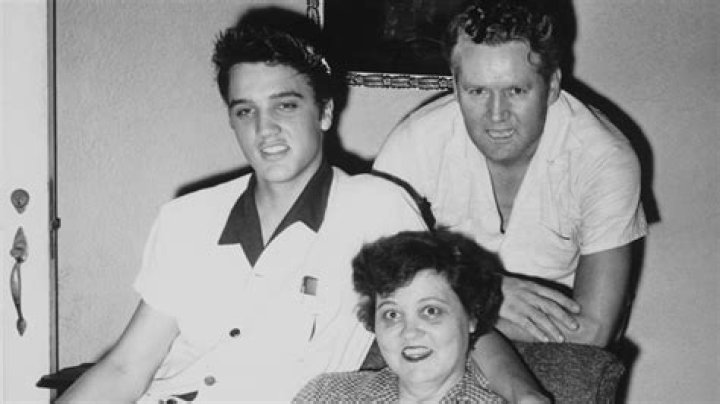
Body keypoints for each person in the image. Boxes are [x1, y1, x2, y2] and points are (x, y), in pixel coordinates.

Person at [57, 8, 547, 403]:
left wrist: (524, 393)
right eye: (245, 111)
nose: (264, 130)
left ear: (326, 112)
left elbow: (454, 320)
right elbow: (126, 368)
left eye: (285, 105)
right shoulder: (186, 219)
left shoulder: (375, 209)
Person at [374, 0, 647, 347]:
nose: (496, 115)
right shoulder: (415, 141)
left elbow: (593, 331)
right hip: (445, 326)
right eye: (477, 91)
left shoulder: (604, 158)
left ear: (552, 86)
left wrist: (462, 305)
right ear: (455, 87)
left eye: (516, 91)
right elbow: (372, 281)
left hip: (554, 342)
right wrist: (485, 289)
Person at [294, 229, 507, 403]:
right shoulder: (328, 395)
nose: (410, 332)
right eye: (392, 314)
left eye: (430, 311)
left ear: (471, 316)